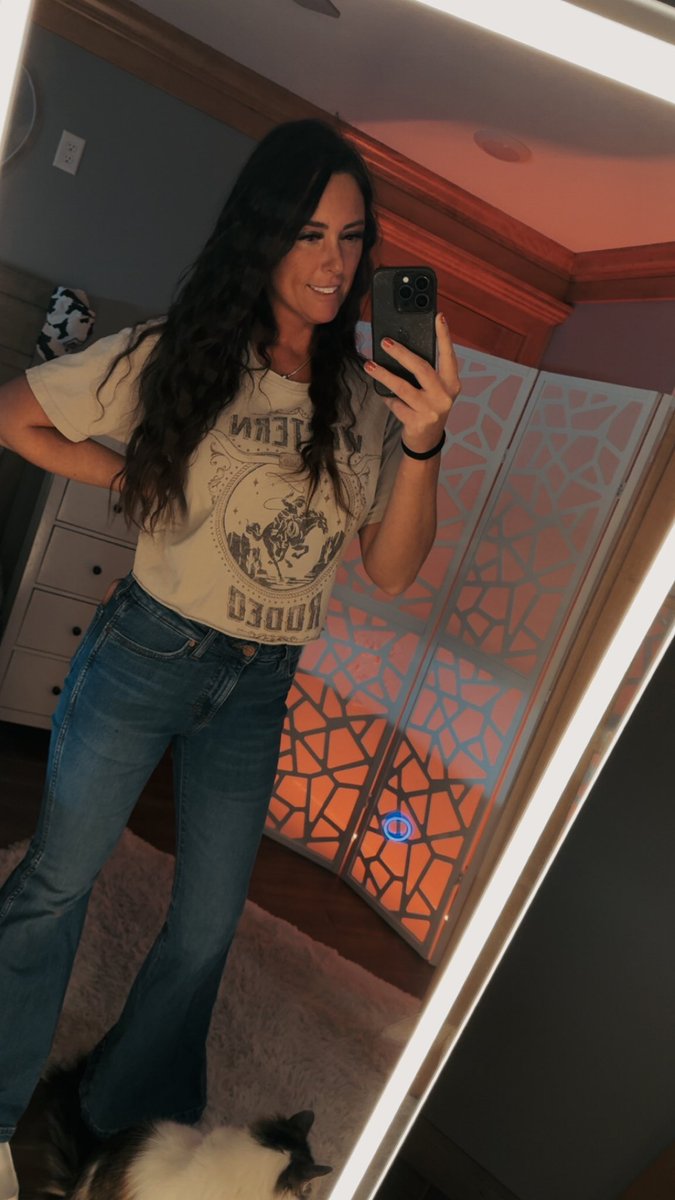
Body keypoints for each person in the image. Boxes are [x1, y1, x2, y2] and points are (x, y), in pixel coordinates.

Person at [0, 118, 459, 1199]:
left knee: (207, 925)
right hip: (149, 650)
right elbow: (17, 417)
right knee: (59, 880)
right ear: (261, 236)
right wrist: (125, 479)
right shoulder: (182, 352)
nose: (334, 262)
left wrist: (427, 441)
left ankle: (126, 1118)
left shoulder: (367, 399)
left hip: (260, 683)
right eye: (308, 233)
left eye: (352, 237)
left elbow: (393, 567)